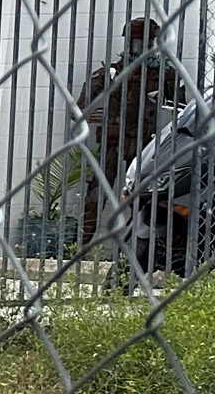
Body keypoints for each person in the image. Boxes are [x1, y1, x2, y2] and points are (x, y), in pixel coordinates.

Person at [78, 17, 197, 276]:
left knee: (146, 196)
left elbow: (179, 108)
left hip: (147, 142)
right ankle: (80, 247)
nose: (142, 46)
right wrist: (97, 116)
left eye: (148, 41)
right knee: (97, 191)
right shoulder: (112, 72)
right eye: (137, 41)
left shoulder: (166, 73)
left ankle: (137, 253)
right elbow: (83, 104)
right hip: (116, 139)